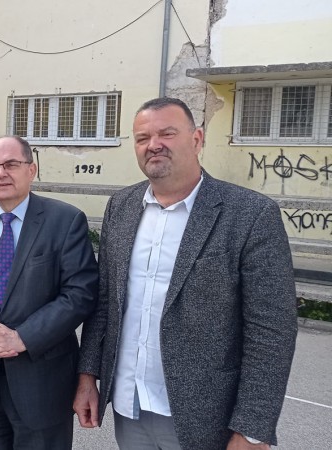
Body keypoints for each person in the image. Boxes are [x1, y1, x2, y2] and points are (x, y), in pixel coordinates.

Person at [74, 97, 298, 450]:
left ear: (196, 140)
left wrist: (252, 429)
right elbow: (105, 303)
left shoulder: (250, 215)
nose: (154, 145)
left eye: (167, 133)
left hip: (208, 418)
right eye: (142, 137)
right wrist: (88, 376)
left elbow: (271, 332)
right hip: (129, 407)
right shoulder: (121, 206)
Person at [0, 135, 99, 449]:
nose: (1, 173)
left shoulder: (65, 221)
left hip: (43, 383)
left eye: (11, 164)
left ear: (32, 170)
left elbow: (80, 293)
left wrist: (22, 337)